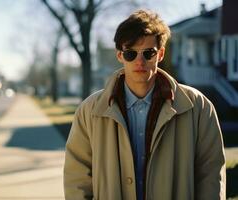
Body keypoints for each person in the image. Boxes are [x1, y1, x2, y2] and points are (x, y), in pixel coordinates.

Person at [64, 9, 226, 200]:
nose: (139, 61)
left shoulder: (198, 107)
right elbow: (77, 179)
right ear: (119, 55)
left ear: (161, 54)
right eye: (131, 54)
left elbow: (211, 174)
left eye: (148, 53)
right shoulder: (89, 112)